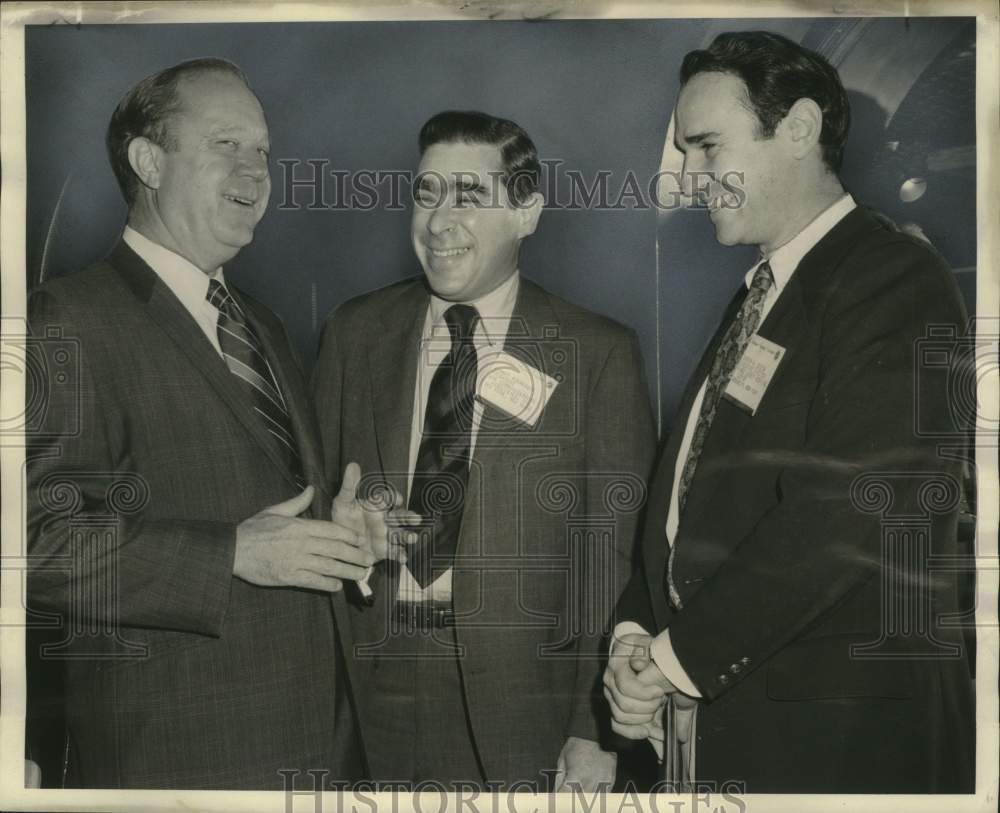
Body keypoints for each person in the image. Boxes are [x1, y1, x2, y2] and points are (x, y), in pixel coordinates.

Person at [605, 31, 975, 793]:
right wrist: (635, 634)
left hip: (840, 742)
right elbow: (684, 501)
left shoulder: (894, 278)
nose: (687, 179)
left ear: (800, 129)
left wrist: (673, 661)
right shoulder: (758, 295)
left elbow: (846, 514)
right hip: (734, 729)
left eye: (707, 147)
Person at [26, 58, 394, 789]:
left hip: (320, 755)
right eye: (227, 144)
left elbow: (268, 515)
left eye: (263, 150)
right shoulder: (63, 318)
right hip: (182, 763)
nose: (255, 171)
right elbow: (33, 541)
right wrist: (227, 553)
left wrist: (337, 528)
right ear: (148, 160)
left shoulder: (267, 326)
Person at [312, 110, 656, 791]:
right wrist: (337, 536)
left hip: (524, 704)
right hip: (366, 687)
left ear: (527, 211)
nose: (439, 221)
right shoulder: (355, 333)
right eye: (426, 192)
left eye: (468, 197)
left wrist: (595, 732)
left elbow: (611, 559)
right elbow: (315, 503)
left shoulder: (597, 353)